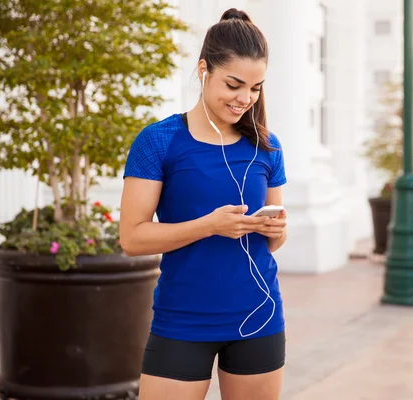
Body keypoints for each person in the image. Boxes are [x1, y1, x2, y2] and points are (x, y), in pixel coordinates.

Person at [119, 9, 288, 400]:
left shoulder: (267, 145)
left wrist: (275, 231)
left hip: (259, 318)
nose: (245, 98)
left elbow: (274, 242)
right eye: (234, 84)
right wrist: (209, 225)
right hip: (182, 321)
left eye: (256, 87)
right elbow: (132, 238)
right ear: (203, 70)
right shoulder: (158, 141)